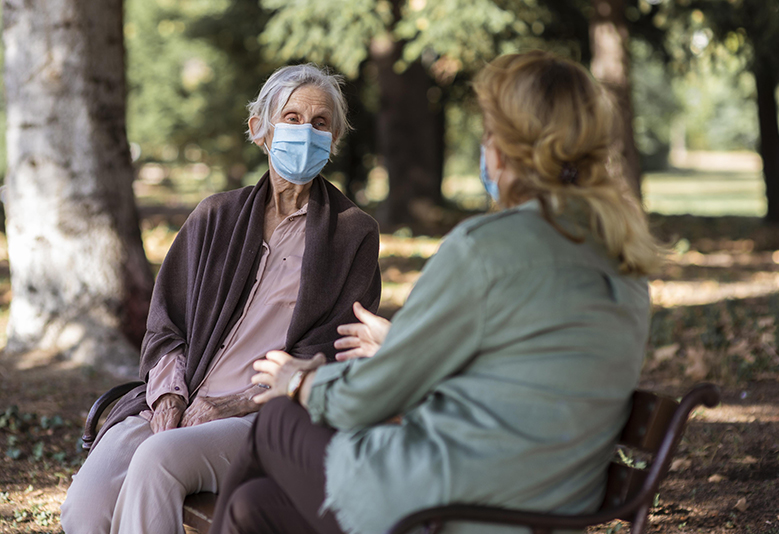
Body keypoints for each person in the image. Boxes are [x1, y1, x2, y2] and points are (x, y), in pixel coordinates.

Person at [209, 50, 664, 534]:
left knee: (277, 420)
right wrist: (404, 346)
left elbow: (366, 400)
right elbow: (528, 377)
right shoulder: (624, 258)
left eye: (488, 132)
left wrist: (300, 382)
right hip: (547, 504)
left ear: (505, 148)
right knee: (253, 507)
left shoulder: (487, 248)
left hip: (449, 506)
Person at [60, 63, 381, 534]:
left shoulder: (351, 234)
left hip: (261, 417)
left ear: (334, 140)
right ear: (260, 130)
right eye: (291, 118)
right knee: (83, 510)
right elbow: (165, 323)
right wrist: (169, 398)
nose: (305, 132)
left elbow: (330, 350)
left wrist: (230, 405)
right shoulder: (215, 216)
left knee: (158, 460)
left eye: (320, 123)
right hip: (177, 402)